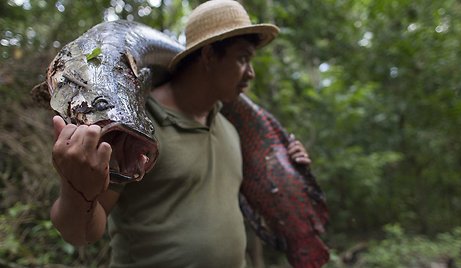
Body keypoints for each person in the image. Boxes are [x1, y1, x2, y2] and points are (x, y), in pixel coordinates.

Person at [50, 1, 312, 267]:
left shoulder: (230, 130)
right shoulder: (134, 128)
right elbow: (80, 234)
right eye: (243, 58)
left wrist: (287, 166)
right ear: (209, 56)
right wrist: (76, 191)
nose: (251, 73)